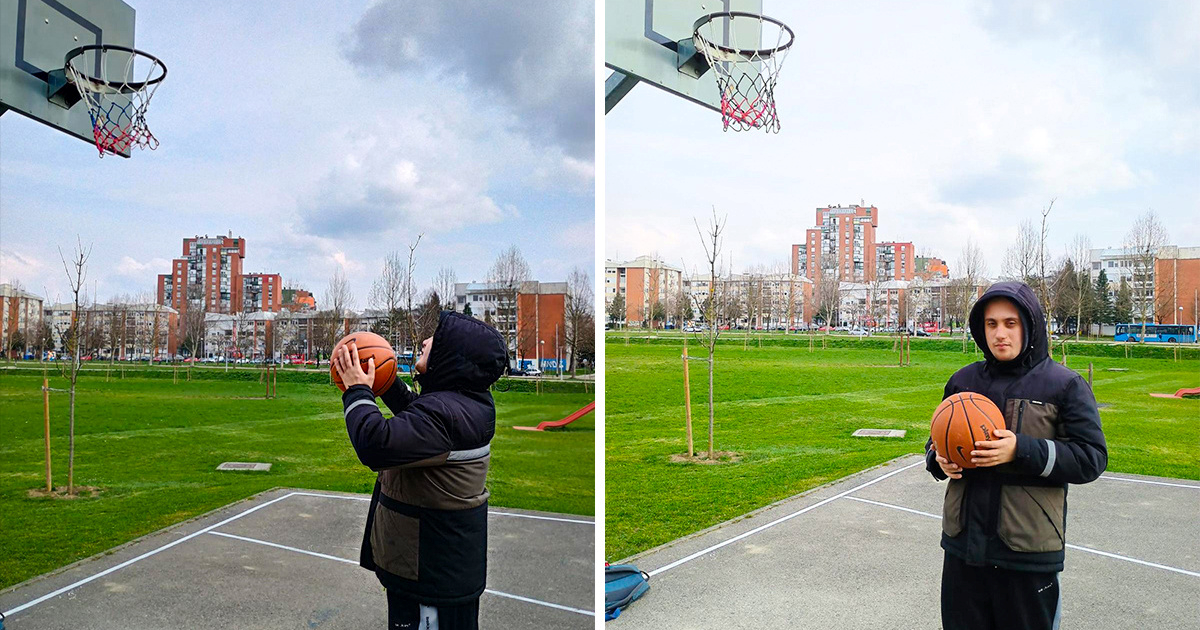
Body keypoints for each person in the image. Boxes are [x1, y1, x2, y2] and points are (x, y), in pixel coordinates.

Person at [925, 281, 1107, 630]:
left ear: (1030, 325)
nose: (1000, 334)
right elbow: (935, 441)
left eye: (1011, 323)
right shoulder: (963, 382)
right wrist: (940, 460)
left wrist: (1020, 450)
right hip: (964, 552)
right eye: (991, 324)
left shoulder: (1065, 385)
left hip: (1026, 555)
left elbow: (1091, 457)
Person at [334, 311, 508, 630]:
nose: (426, 341)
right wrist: (386, 382)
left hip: (431, 575)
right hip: (435, 567)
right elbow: (418, 418)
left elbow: (376, 444)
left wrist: (357, 391)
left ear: (452, 356)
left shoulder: (447, 416)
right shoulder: (462, 404)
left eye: (436, 339)